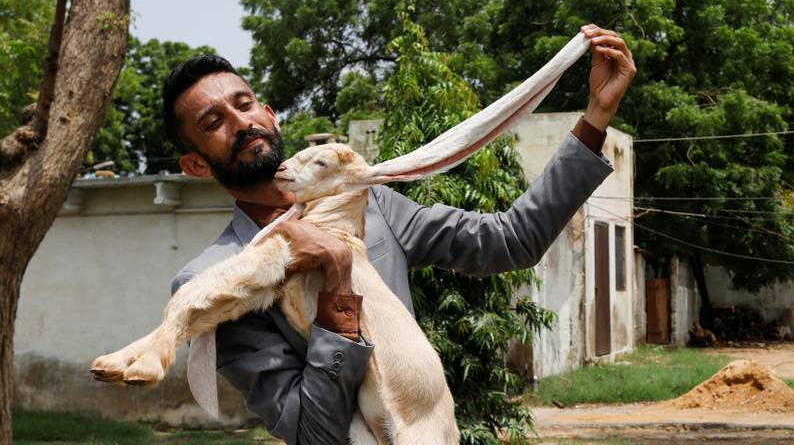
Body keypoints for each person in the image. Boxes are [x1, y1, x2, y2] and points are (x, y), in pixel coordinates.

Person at [166, 24, 636, 444]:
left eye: (245, 105)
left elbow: (511, 240)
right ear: (195, 164)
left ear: (271, 114)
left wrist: (595, 117)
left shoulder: (374, 206)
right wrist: (337, 288)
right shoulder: (210, 281)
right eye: (214, 122)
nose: (241, 122)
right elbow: (313, 432)